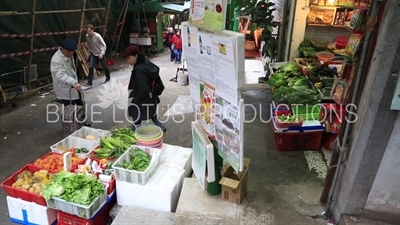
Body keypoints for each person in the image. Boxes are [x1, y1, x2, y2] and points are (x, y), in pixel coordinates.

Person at [122, 45, 166, 132]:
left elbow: (143, 88)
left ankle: (136, 132)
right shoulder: (144, 61)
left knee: (137, 115)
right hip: (151, 96)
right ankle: (161, 127)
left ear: (136, 56)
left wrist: (136, 100)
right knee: (152, 113)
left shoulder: (139, 70)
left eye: (129, 58)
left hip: (143, 97)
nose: (128, 61)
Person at [50, 38, 90, 126]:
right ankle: (71, 125)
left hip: (74, 86)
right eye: (69, 52)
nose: (72, 54)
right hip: (66, 89)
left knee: (79, 104)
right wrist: (73, 82)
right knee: (70, 108)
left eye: (73, 52)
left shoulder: (68, 55)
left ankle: (82, 121)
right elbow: (60, 75)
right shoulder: (56, 60)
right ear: (62, 49)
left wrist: (75, 81)